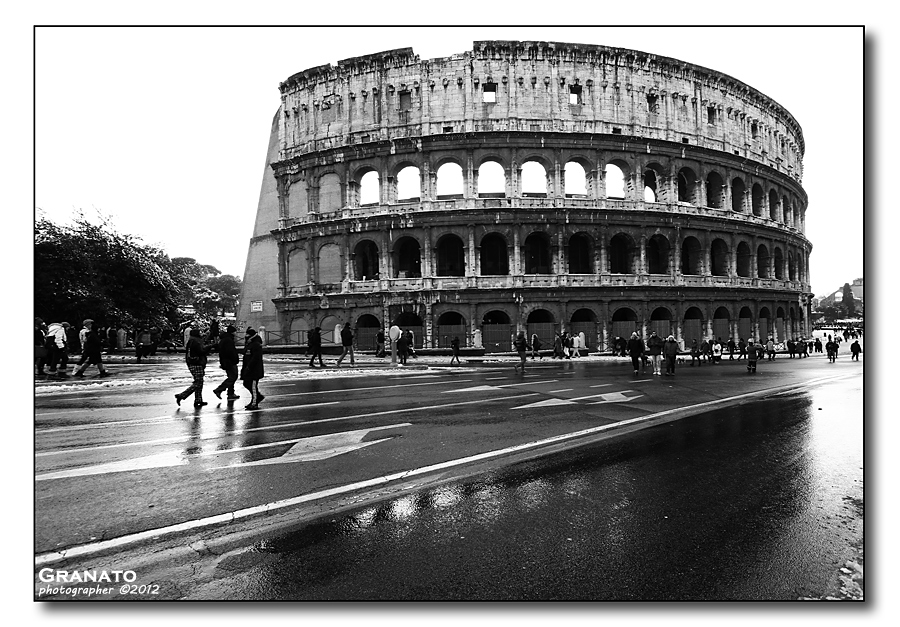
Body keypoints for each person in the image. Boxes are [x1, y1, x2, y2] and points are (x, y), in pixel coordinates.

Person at [175, 329, 214, 408]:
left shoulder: (192, 340)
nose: (201, 333)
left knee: (199, 382)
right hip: (196, 362)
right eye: (199, 332)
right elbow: (201, 351)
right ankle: (182, 395)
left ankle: (198, 400)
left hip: (193, 362)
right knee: (198, 382)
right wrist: (210, 346)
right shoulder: (196, 341)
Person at [212, 325, 241, 401]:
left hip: (225, 361)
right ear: (232, 332)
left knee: (231, 376)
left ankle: (230, 393)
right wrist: (235, 359)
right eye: (235, 331)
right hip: (229, 361)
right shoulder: (228, 340)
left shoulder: (225, 339)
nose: (236, 333)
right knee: (233, 377)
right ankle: (219, 389)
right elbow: (230, 352)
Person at [240, 327, 266, 410]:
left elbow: (255, 358)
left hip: (254, 370)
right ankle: (258, 397)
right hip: (248, 368)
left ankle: (254, 402)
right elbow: (245, 353)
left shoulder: (256, 344)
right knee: (246, 383)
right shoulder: (249, 343)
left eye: (248, 334)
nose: (246, 336)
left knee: (253, 386)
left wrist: (249, 367)